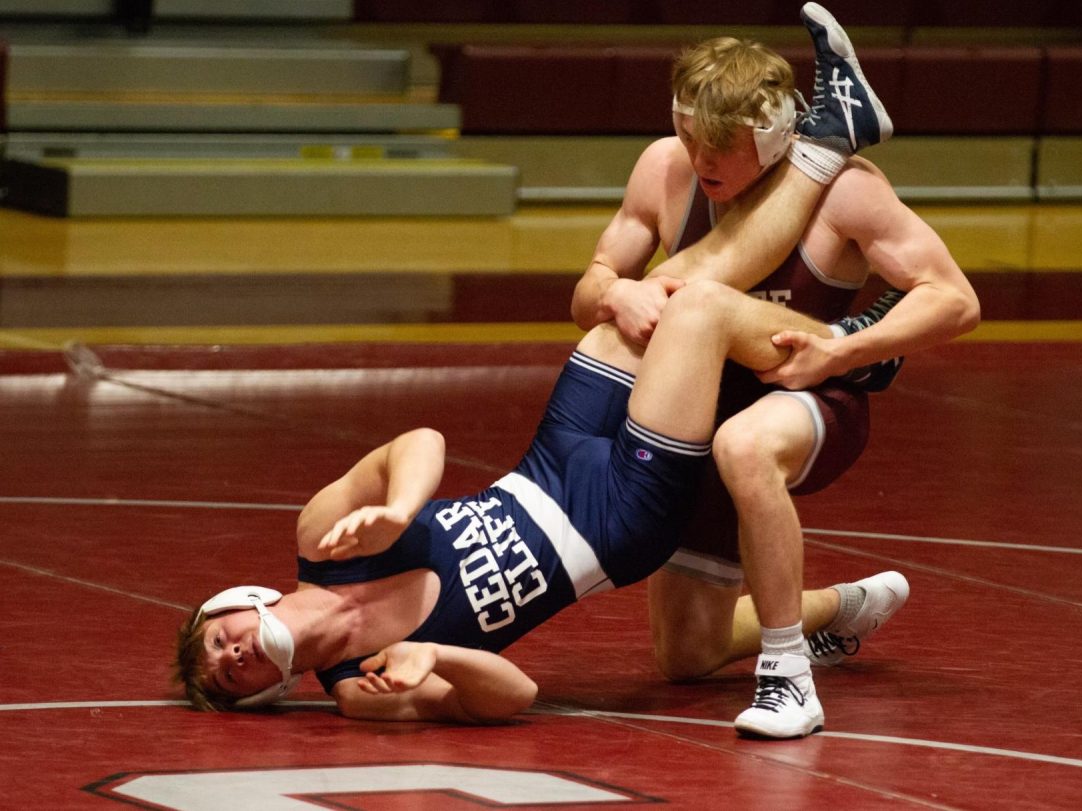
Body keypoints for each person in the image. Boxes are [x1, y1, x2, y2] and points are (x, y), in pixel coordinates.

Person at [175, 279, 904, 727]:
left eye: (219, 642)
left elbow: (419, 439)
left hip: (551, 456)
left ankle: (832, 323)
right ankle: (857, 349)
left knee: (643, 304)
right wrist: (439, 655)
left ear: (232, 602)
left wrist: (400, 510)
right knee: (696, 318)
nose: (234, 653)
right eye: (231, 675)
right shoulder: (360, 687)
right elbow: (516, 694)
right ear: (266, 693)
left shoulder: (322, 539)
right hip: (615, 519)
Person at [570, 4, 980, 738]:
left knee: (745, 444)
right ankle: (837, 608)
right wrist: (615, 289)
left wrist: (845, 349)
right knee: (685, 654)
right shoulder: (665, 170)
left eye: (723, 146)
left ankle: (789, 676)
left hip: (813, 394)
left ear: (776, 135)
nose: (703, 160)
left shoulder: (843, 189)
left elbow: (955, 299)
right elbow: (589, 286)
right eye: (692, 135)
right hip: (707, 409)